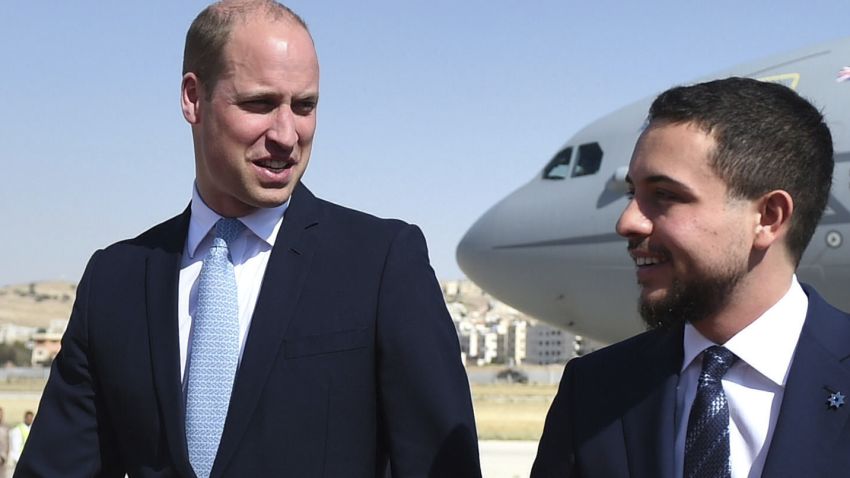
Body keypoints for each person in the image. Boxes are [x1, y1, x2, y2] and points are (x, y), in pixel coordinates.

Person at [16, 1, 480, 477]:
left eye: (304, 106)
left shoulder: (382, 265)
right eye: (260, 104)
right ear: (193, 98)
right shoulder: (114, 282)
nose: (287, 134)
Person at [532, 77, 846, 477]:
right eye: (633, 195)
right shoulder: (593, 392)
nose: (627, 222)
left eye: (665, 195)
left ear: (767, 218)